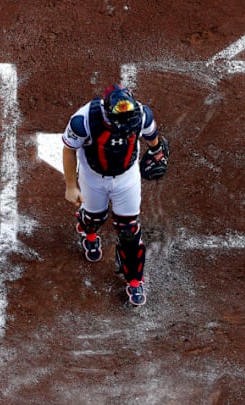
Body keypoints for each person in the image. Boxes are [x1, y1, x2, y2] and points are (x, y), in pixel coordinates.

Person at [62, 83, 169, 306]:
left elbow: (152, 139)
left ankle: (135, 280)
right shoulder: (83, 121)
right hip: (93, 177)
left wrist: (157, 152)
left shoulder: (141, 115)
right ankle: (87, 231)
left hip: (126, 177)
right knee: (94, 218)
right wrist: (71, 186)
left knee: (129, 229)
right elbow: (69, 149)